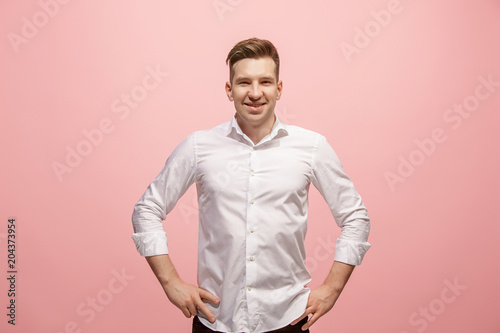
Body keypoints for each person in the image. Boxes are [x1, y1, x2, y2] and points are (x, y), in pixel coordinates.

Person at [131, 37, 371, 333]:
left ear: (279, 89)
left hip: (288, 320)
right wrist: (170, 283)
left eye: (265, 82)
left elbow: (355, 216)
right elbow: (146, 210)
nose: (255, 93)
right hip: (216, 322)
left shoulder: (311, 147)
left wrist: (333, 288)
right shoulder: (199, 146)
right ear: (229, 90)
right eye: (244, 82)